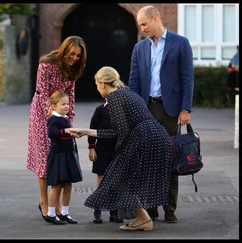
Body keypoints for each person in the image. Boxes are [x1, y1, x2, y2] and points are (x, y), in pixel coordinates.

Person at [70, 66, 172, 231]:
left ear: (103, 83)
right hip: (157, 136)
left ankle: (144, 219)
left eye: (96, 84)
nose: (97, 88)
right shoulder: (128, 93)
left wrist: (89, 133)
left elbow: (119, 132)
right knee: (126, 180)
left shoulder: (114, 97)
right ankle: (143, 219)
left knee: (117, 180)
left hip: (143, 139)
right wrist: (87, 132)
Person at [129, 5, 194, 223]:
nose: (142, 28)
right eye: (140, 25)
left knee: (169, 158)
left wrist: (185, 109)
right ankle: (151, 208)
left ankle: (170, 210)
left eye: (144, 24)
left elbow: (187, 78)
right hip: (147, 109)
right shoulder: (139, 48)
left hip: (170, 111)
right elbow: (134, 81)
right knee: (147, 160)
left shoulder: (180, 43)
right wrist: (134, 110)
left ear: (155, 18)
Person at [26, 36, 87, 220]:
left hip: (62, 115)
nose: (75, 58)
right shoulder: (46, 64)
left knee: (61, 159)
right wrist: (55, 118)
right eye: (73, 54)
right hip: (42, 115)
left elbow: (71, 96)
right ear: (64, 49)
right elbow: (43, 93)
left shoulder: (73, 68)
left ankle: (57, 206)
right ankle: (44, 202)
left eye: (78, 56)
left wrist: (70, 120)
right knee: (46, 159)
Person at [44, 91, 83, 225]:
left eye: (68, 104)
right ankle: (50, 213)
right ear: (54, 106)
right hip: (58, 156)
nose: (67, 106)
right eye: (63, 104)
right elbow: (52, 134)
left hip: (68, 155)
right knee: (56, 185)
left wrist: (73, 133)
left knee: (68, 185)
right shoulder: (53, 119)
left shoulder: (65, 118)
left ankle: (65, 213)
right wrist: (65, 131)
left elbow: (68, 134)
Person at [87, 98, 124, 224]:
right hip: (102, 149)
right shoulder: (100, 110)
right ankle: (97, 210)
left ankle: (114, 211)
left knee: (116, 181)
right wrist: (91, 148)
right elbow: (92, 129)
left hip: (118, 150)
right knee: (101, 180)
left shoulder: (122, 110)